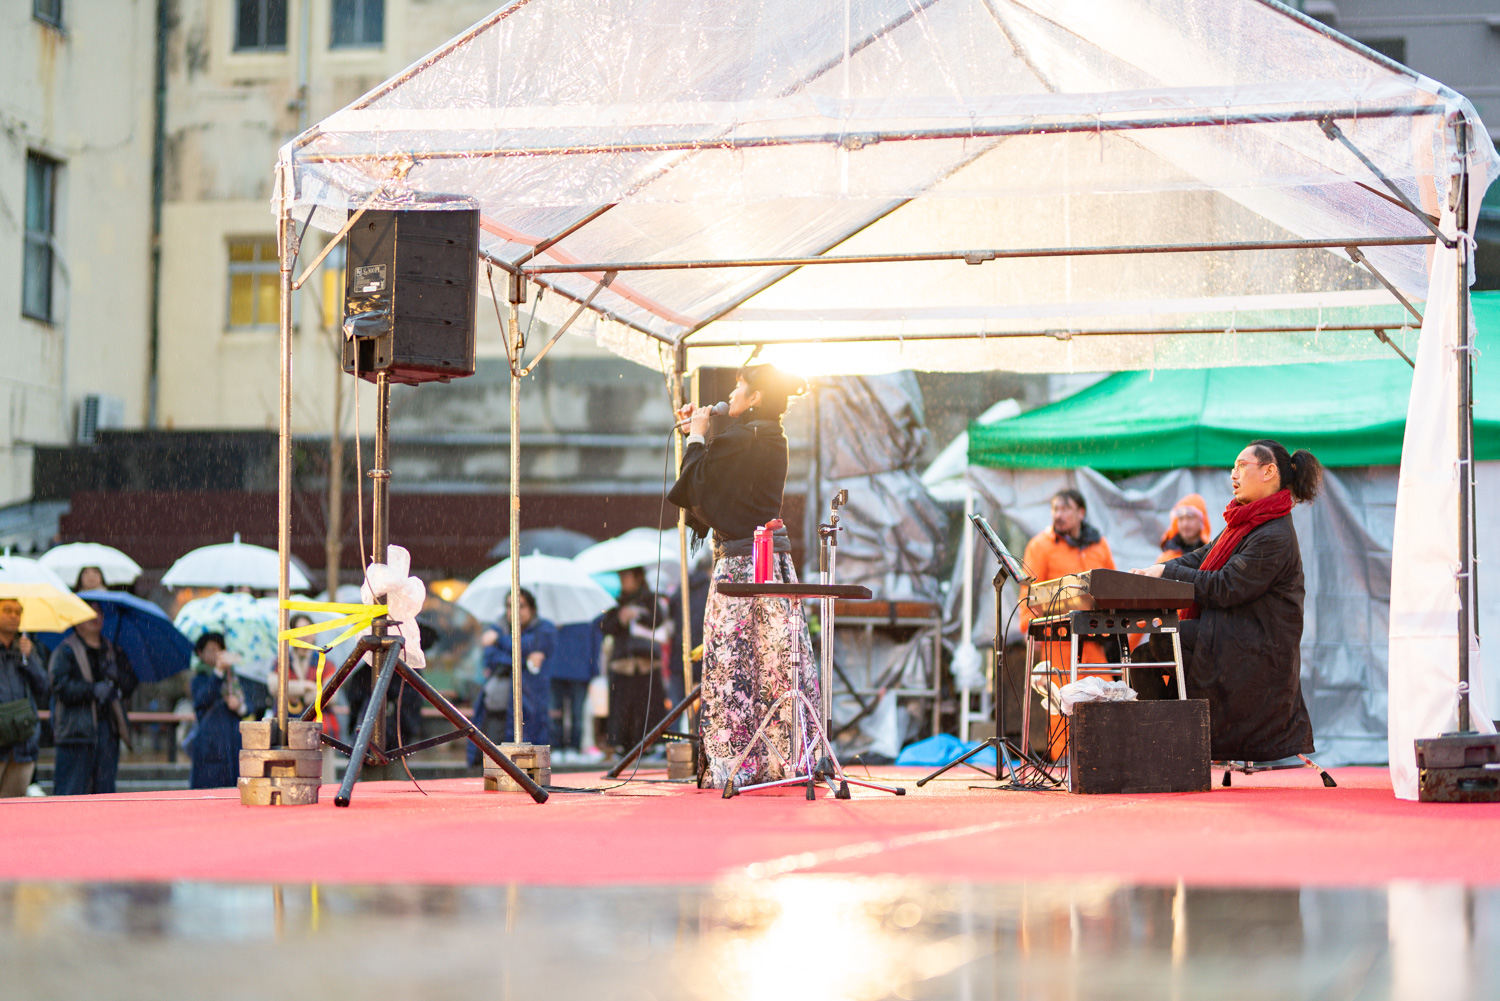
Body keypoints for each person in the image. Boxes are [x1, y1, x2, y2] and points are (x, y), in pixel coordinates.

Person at [1129, 439, 1322, 762]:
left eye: (1241, 466)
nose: (1233, 474)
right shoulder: (1245, 523)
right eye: (1233, 467)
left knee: (1166, 640)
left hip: (1255, 646)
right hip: (1228, 632)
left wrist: (1165, 574)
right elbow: (1200, 559)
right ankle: (1158, 746)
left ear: (1269, 472)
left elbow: (1226, 586)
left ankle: (1178, 744)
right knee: (1144, 654)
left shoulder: (1274, 534)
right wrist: (1158, 569)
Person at [667, 363, 814, 789]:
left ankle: (738, 763)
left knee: (737, 665)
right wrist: (702, 436)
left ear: (756, 399)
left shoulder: (748, 437)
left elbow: (699, 487)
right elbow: (716, 481)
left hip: (744, 565)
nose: (731, 394)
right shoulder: (762, 435)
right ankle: (782, 760)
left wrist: (696, 436)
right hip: (765, 563)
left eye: (739, 388)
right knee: (775, 665)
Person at [1016, 489, 1117, 757]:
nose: (1058, 515)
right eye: (1054, 509)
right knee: (1061, 706)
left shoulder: (1100, 545)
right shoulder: (1040, 545)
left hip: (1094, 642)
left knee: (1104, 699)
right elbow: (1029, 595)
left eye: (1064, 508)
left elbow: (1113, 587)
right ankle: (1064, 763)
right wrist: (1032, 630)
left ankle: (1106, 758)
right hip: (1057, 640)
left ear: (1081, 513)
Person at [49, 600, 139, 795]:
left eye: (99, 612)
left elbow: (131, 683)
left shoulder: (112, 650)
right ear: (77, 619)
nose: (95, 617)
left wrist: (118, 678)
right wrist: (92, 690)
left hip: (108, 730)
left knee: (104, 792)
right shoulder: (65, 651)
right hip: (76, 731)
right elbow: (60, 686)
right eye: (89, 612)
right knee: (71, 791)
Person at [599, 567, 673, 758]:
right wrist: (620, 617)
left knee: (648, 706)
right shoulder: (614, 601)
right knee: (623, 707)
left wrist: (639, 614)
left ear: (638, 577)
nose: (623, 580)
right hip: (622, 662)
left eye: (626, 576)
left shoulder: (650, 599)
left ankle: (651, 745)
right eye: (620, 576)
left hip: (646, 662)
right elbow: (605, 627)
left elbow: (658, 621)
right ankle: (622, 746)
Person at [478, 587, 556, 749]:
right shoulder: (498, 626)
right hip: (498, 704)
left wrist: (499, 641)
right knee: (494, 754)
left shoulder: (545, 628)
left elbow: (528, 645)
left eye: (521, 606)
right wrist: (521, 657)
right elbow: (491, 658)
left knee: (530, 755)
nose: (514, 610)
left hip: (531, 703)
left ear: (532, 609)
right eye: (509, 606)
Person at [188, 632, 249, 789]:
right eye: (211, 650)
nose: (216, 653)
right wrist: (218, 673)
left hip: (233, 741)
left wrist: (239, 706)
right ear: (200, 654)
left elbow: (249, 705)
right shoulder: (199, 678)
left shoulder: (233, 677)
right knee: (208, 787)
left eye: (219, 649)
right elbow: (202, 699)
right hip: (210, 743)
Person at [0, 599, 48, 797]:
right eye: (7, 610)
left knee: (13, 810)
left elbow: (43, 687)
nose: (14, 616)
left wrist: (29, 660)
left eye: (18, 612)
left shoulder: (26, 647)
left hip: (22, 744)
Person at [549, 614, 603, 763]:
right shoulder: (553, 615)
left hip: (578, 669)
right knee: (557, 713)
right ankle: (558, 746)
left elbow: (596, 640)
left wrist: (594, 668)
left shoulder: (589, 614)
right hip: (559, 669)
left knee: (574, 713)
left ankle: (572, 747)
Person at [1157, 494, 1212, 562]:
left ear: (1202, 521)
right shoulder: (1165, 559)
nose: (1185, 524)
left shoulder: (1211, 558)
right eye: (1181, 518)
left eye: (1190, 517)